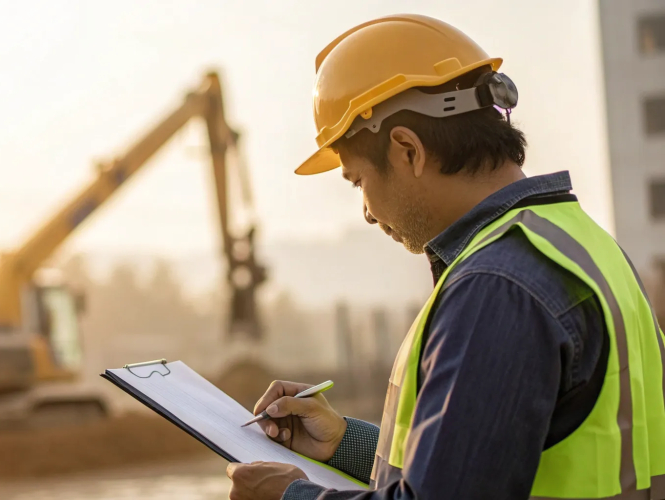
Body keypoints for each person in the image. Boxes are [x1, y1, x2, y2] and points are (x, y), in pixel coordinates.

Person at [225, 13, 665, 500]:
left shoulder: (497, 288)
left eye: (358, 182)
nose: (367, 213)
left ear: (408, 150)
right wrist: (345, 444)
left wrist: (291, 497)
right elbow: (488, 462)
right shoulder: (582, 246)